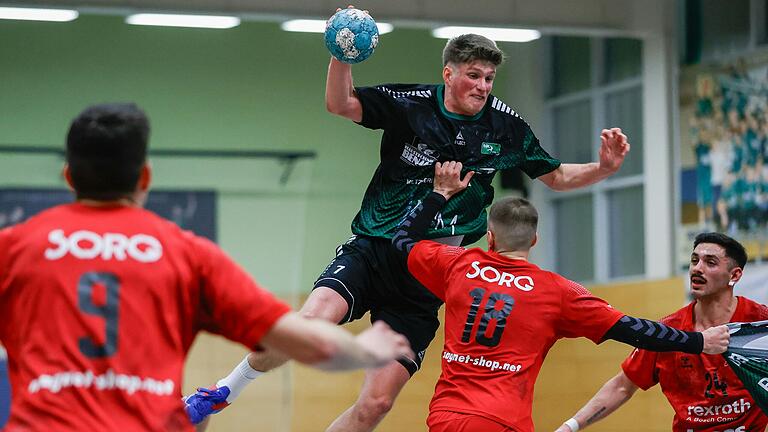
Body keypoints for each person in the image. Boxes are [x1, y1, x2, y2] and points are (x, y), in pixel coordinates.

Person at [188, 19, 631, 432]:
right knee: (308, 323)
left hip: (429, 270)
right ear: (449, 73)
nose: (482, 86)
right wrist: (342, 54)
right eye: (473, 75)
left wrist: (603, 168)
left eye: (489, 78)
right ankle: (222, 392)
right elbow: (340, 103)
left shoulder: (506, 125)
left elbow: (555, 176)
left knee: (376, 405)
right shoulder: (410, 104)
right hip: (375, 246)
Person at [0, 103, 413, 431]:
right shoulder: (184, 254)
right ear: (145, 177)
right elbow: (302, 341)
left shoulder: (15, 247)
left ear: (68, 176)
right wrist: (363, 349)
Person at [388, 161, 730, 432]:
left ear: (490, 238)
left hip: (446, 415)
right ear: (534, 241)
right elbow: (633, 329)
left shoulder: (458, 264)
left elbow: (402, 240)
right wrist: (698, 342)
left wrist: (439, 193)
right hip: (503, 420)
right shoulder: (557, 291)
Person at [556, 232, 768, 432]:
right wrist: (570, 426)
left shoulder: (760, 322)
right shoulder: (667, 333)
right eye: (695, 261)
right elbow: (622, 387)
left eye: (710, 262)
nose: (697, 268)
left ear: (735, 275)